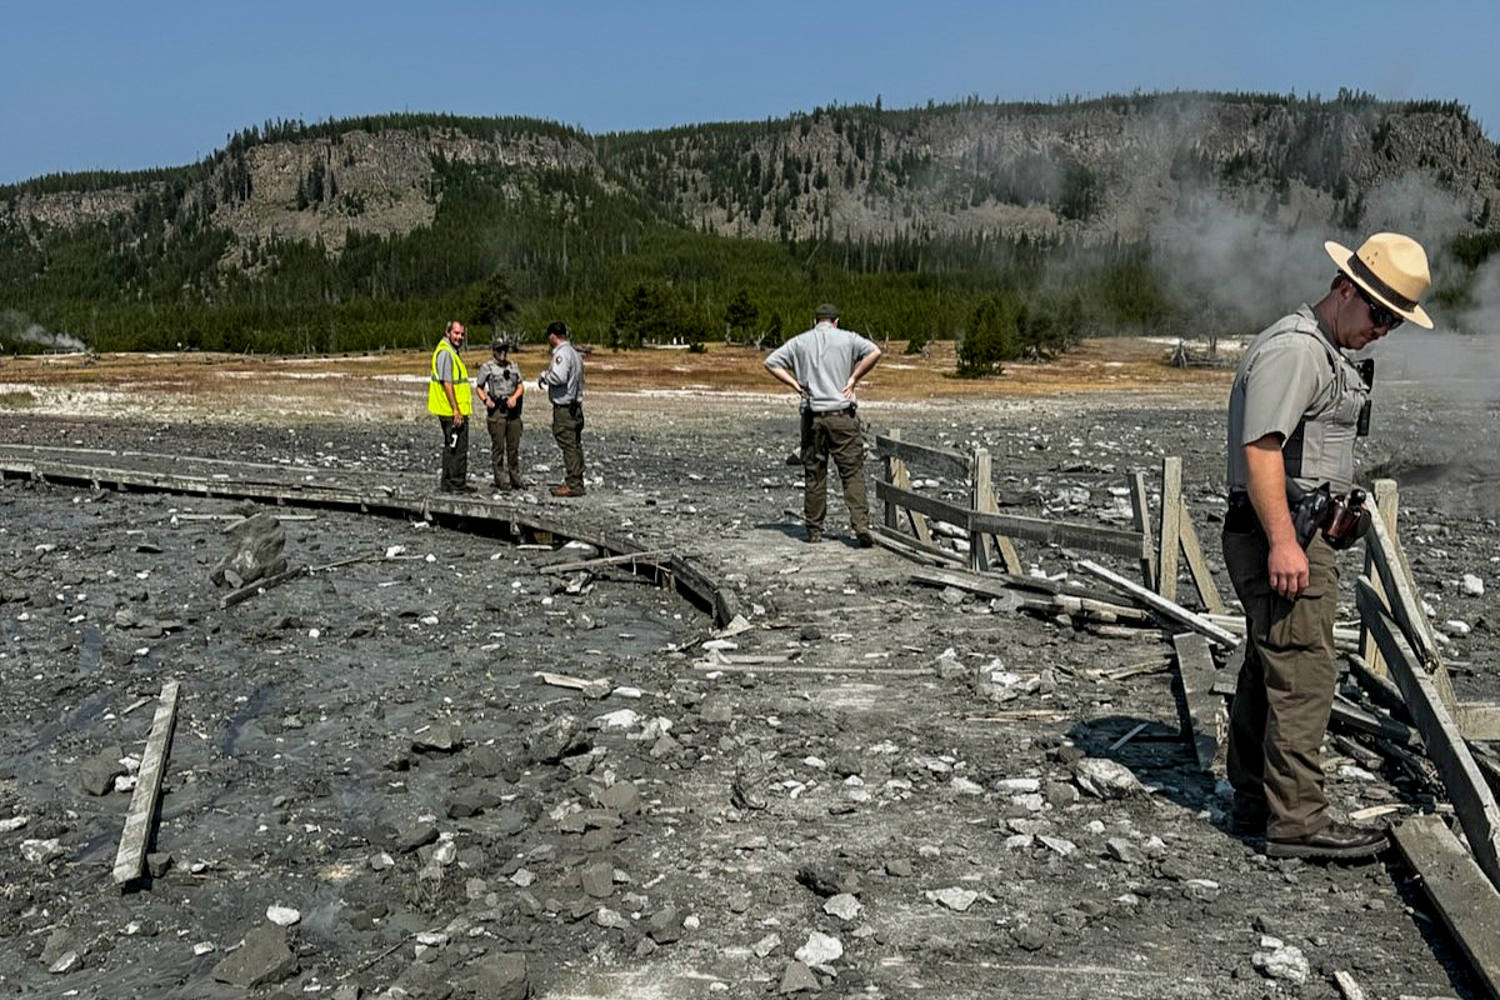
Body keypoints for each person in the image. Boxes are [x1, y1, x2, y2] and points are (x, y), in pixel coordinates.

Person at [1222, 232, 1433, 861]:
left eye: (1394, 321)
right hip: (1281, 532)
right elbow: (1260, 450)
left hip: (1294, 527)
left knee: (1273, 663)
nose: (1383, 329)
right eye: (1379, 314)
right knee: (1305, 670)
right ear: (1345, 289)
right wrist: (1285, 542)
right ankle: (1298, 822)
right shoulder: (1297, 351)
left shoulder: (1322, 350)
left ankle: (1257, 800)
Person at [764, 302, 882, 546]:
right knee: (852, 473)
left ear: (815, 321)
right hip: (842, 414)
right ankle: (860, 525)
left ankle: (814, 530)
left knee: (815, 474)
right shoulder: (848, 339)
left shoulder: (800, 341)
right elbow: (875, 352)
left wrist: (795, 385)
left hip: (812, 414)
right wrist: (853, 378)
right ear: (836, 321)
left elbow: (771, 362)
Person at [538, 320, 586, 497]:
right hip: (576, 406)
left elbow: (558, 377)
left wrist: (544, 376)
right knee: (574, 443)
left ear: (552, 336)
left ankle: (573, 483)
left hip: (565, 407)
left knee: (568, 444)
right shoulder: (574, 353)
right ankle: (577, 478)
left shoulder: (562, 354)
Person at [427, 320, 473, 493]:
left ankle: (448, 483)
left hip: (449, 409)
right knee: (458, 448)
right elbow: (448, 383)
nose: (459, 337)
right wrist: (456, 410)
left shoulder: (449, 351)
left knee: (451, 446)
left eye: (462, 334)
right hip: (451, 411)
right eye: (456, 333)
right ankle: (455, 484)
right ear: (447, 333)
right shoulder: (446, 353)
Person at [474, 338, 526, 490]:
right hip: (497, 410)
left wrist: (515, 397)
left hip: (513, 411)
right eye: (499, 350)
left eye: (505, 350)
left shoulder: (513, 366)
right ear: (494, 351)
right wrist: (485, 400)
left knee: (513, 446)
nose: (503, 353)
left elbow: (520, 386)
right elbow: (478, 387)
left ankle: (515, 478)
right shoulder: (487, 367)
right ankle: (500, 479)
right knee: (498, 447)